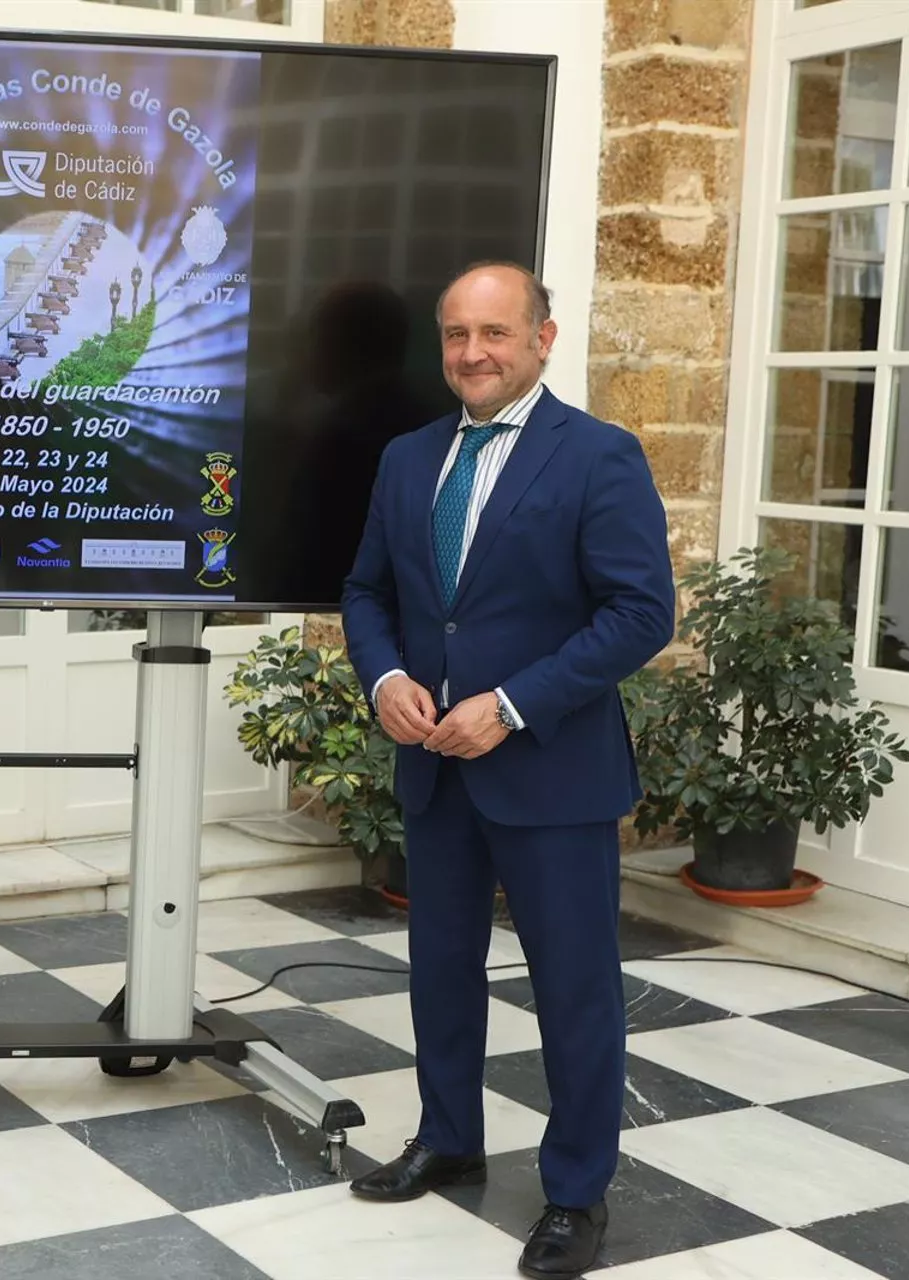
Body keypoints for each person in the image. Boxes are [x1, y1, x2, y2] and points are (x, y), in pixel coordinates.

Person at [339, 261, 675, 1280]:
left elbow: (639, 613)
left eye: (494, 332)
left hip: (551, 770)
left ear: (543, 338)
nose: (472, 353)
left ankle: (575, 1190)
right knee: (440, 968)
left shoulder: (599, 456)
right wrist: (386, 673)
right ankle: (450, 1135)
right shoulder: (407, 458)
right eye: (455, 335)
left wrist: (513, 703)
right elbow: (367, 593)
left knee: (572, 986)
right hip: (434, 767)